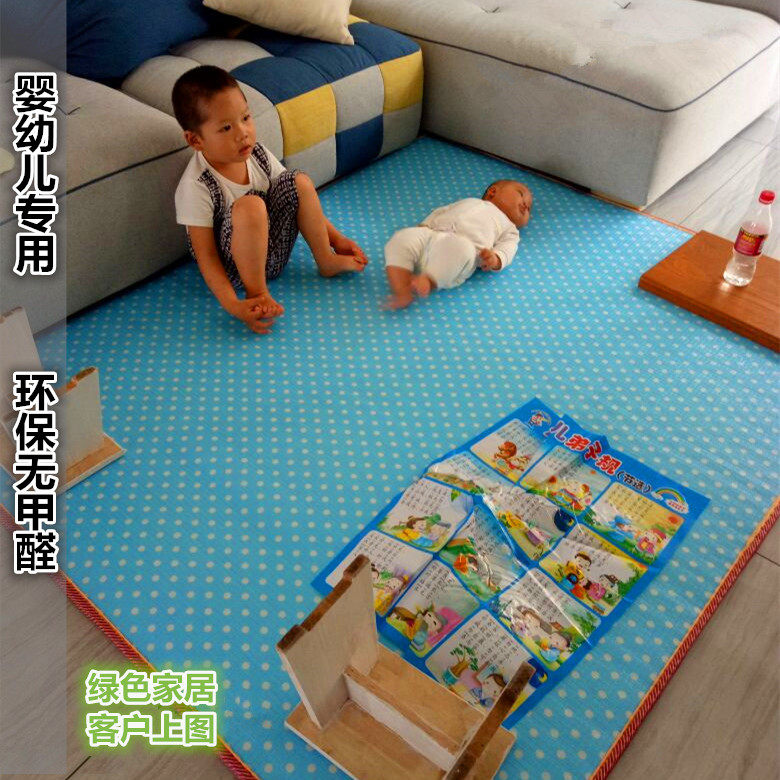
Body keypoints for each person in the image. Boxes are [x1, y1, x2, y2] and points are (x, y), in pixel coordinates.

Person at [172, 65, 367, 334]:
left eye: (245, 117)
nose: (243, 132)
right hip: (236, 270)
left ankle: (325, 259)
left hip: (275, 249)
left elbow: (296, 198)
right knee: (251, 205)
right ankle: (258, 294)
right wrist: (232, 304)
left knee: (298, 181)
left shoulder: (258, 154)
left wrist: (336, 239)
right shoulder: (197, 185)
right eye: (226, 127)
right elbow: (206, 256)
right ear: (195, 140)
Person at [384, 179, 532, 308]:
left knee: (462, 247)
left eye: (529, 208)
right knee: (403, 236)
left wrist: (495, 259)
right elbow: (442, 211)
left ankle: (428, 280)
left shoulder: (510, 229)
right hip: (431, 235)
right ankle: (401, 285)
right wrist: (425, 225)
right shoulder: (469, 201)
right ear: (492, 192)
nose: (526, 205)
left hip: (461, 254)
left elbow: (508, 249)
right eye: (520, 194)